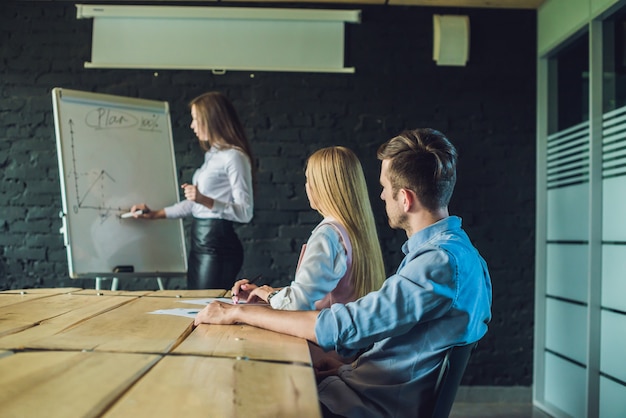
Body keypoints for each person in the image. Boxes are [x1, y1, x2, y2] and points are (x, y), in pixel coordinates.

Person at [194, 128, 492, 417]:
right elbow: (409, 348)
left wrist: (236, 313)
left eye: (385, 188)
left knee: (235, 396)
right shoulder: (463, 255)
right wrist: (346, 369)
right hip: (369, 391)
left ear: (405, 198)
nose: (381, 197)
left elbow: (343, 327)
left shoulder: (437, 263)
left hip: (365, 406)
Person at [232, 146, 385, 310]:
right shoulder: (357, 231)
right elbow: (313, 292)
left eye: (308, 180)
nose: (306, 186)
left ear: (322, 186)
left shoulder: (328, 235)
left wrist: (268, 295)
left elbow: (297, 304)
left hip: (325, 334)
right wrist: (263, 293)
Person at [130, 92, 254, 290]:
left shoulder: (234, 157)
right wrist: (154, 214)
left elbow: (245, 212)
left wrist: (204, 199)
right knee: (195, 303)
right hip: (200, 240)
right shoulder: (212, 156)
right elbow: (195, 203)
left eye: (196, 119)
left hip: (217, 243)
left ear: (212, 119)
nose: (192, 125)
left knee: (204, 305)